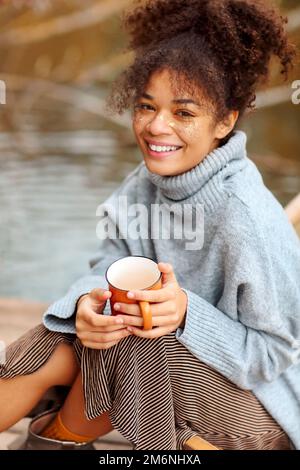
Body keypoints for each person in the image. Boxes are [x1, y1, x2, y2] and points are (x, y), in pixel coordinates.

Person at [1, 0, 300, 450]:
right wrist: (86, 304)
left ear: (225, 121)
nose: (157, 127)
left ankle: (53, 440)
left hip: (262, 412)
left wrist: (185, 315)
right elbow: (108, 262)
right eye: (146, 106)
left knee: (135, 342)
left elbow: (274, 356)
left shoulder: (245, 217)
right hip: (163, 367)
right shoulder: (145, 182)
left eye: (184, 112)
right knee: (60, 331)